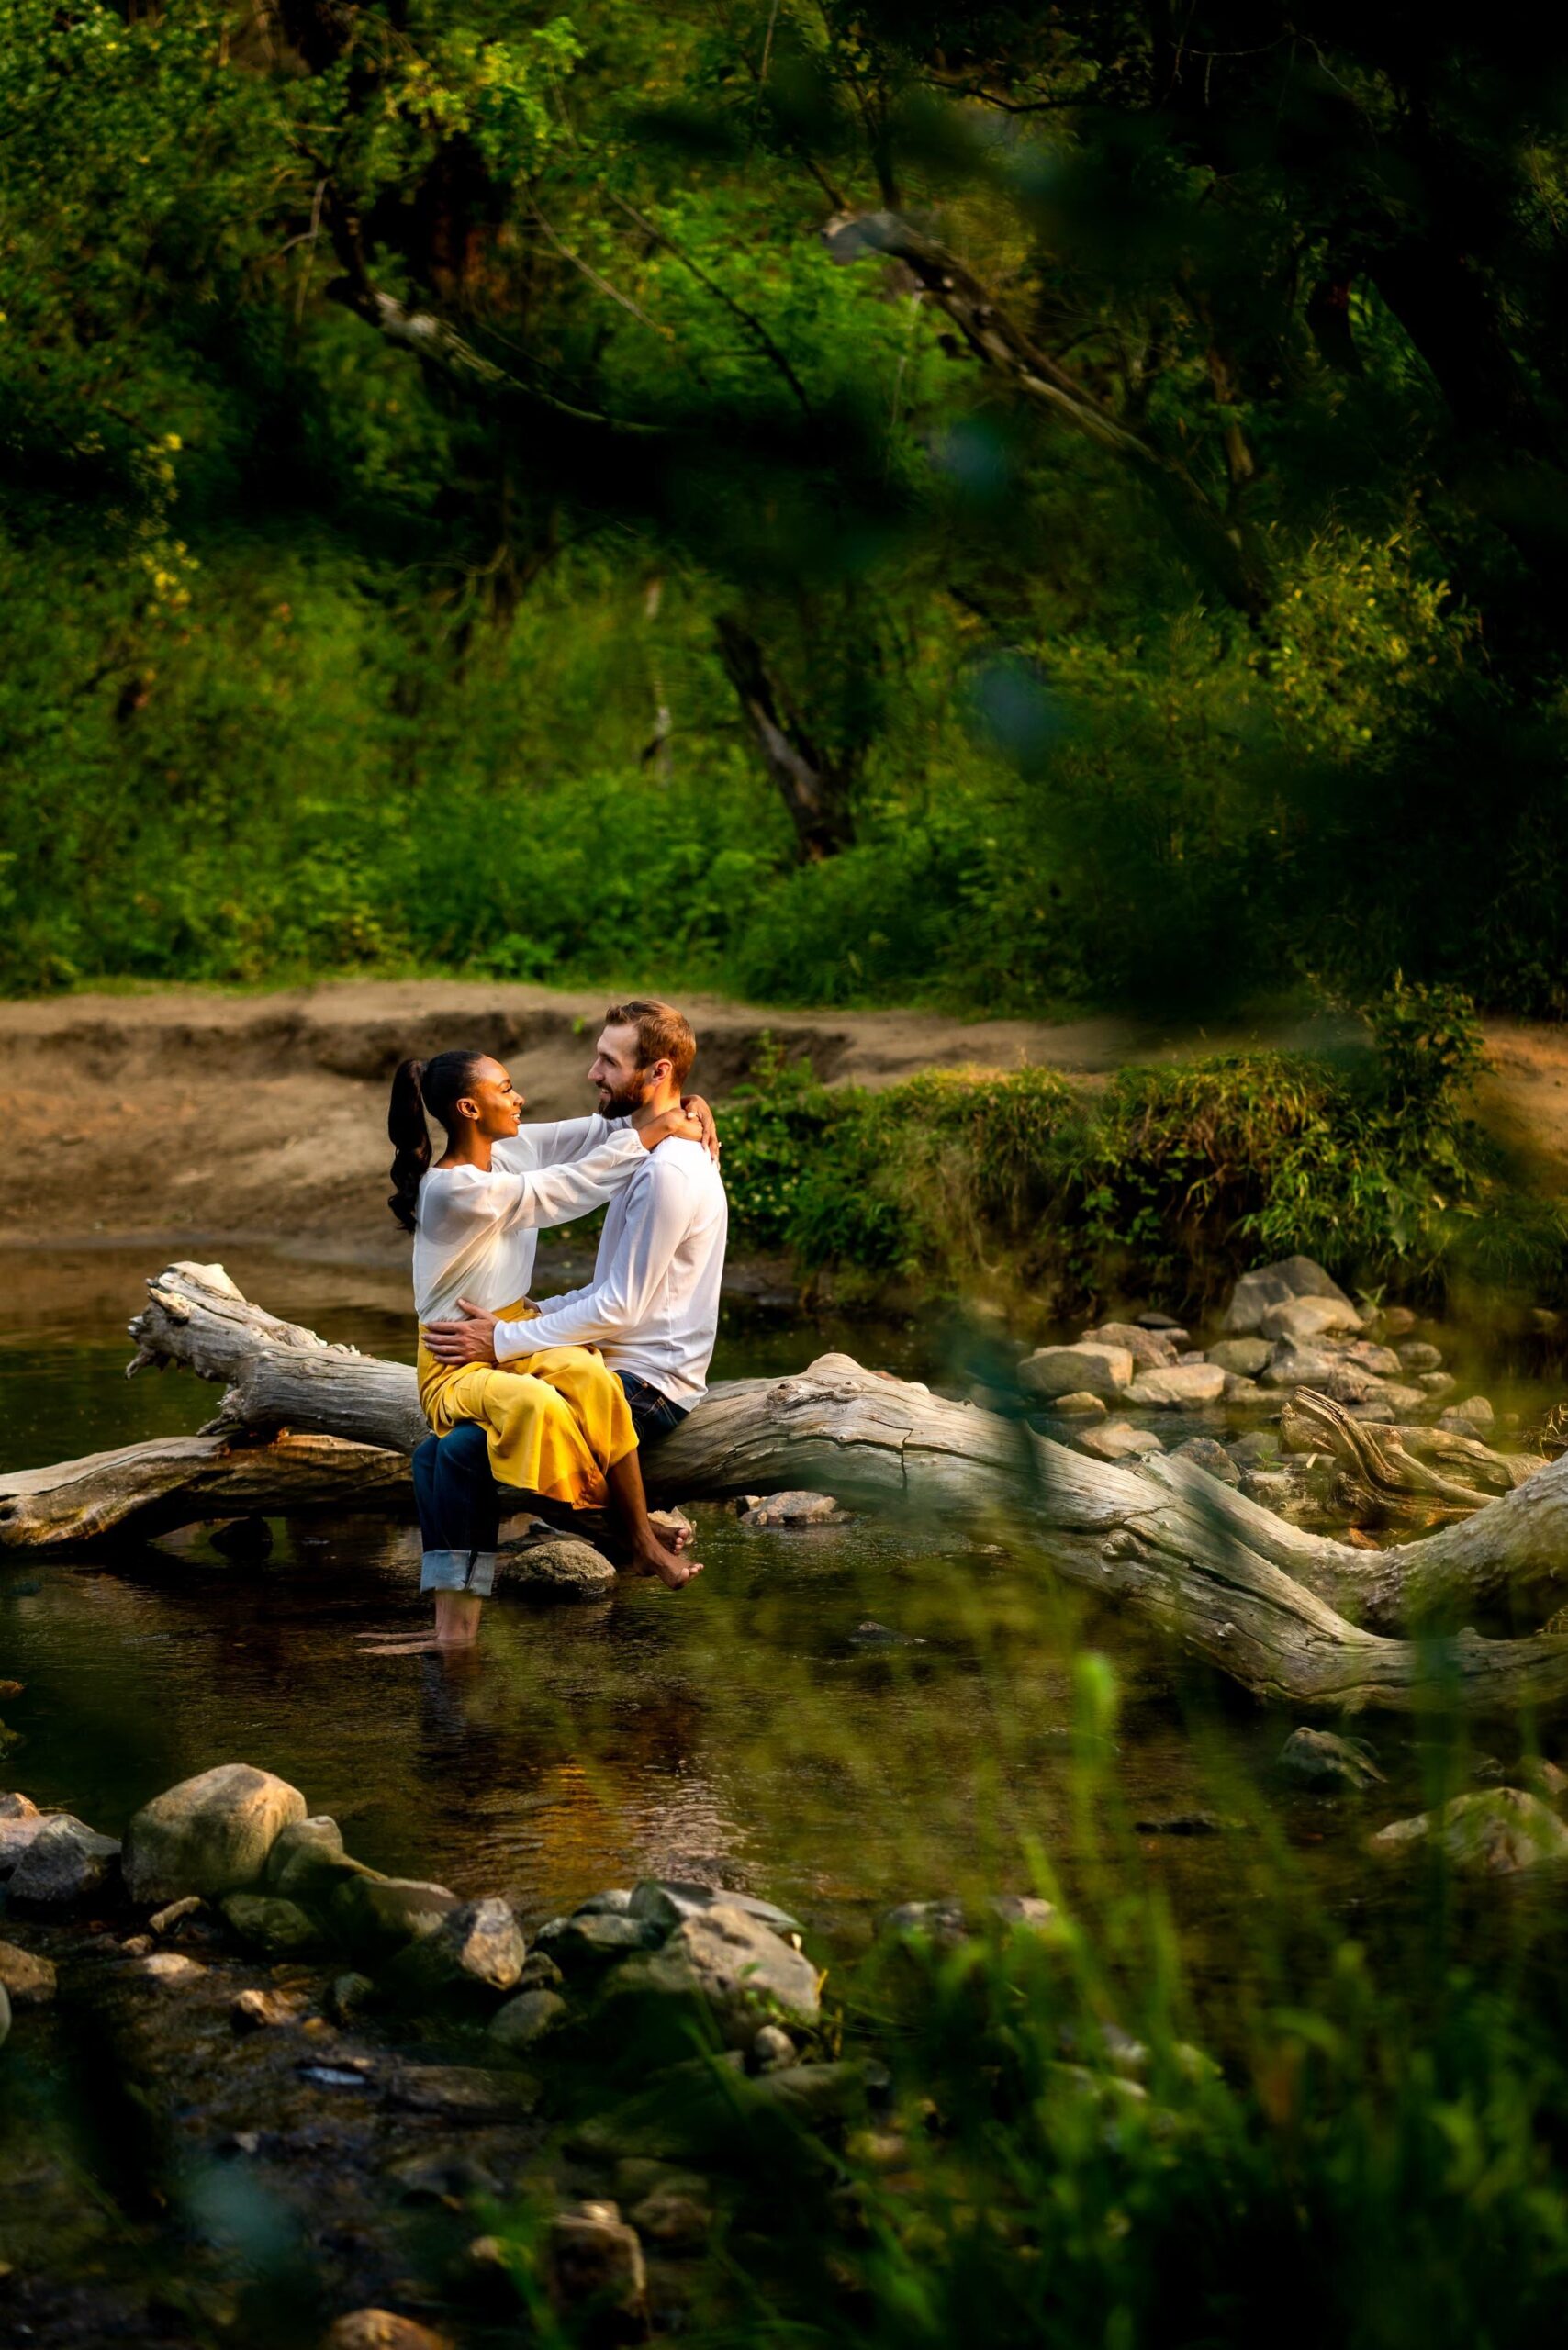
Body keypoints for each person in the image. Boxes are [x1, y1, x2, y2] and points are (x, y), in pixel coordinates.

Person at [387, 1047, 708, 1651]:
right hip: (455, 1361)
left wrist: (684, 1104)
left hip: (507, 1334)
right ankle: (624, 1533)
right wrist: (656, 1132)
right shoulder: (451, 1191)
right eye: (505, 1090)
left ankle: (637, 1535)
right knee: (536, 1407)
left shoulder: (508, 1151)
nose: (519, 1099)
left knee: (592, 1378)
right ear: (468, 1108)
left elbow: (597, 1131)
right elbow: (566, 1189)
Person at [423, 998, 729, 1497]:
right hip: (610, 1360)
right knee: (431, 1453)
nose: (593, 1073)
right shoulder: (643, 1147)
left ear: (658, 1070)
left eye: (610, 1061)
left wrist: (502, 1341)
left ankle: (633, 1540)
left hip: (648, 1386)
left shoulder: (667, 1171)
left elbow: (618, 1305)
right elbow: (601, 1143)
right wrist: (528, 1316)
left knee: (461, 1451)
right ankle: (453, 1577)